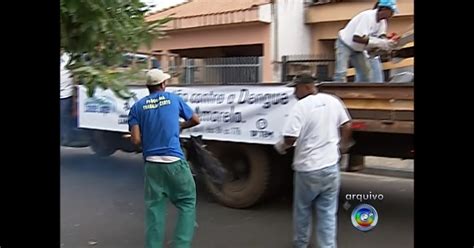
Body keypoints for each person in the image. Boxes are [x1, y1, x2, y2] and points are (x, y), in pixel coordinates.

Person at [274, 73, 353, 248]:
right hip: (331, 166)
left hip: (308, 169)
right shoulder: (333, 101)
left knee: (303, 209)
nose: (294, 92)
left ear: (308, 87)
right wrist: (342, 146)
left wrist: (280, 147)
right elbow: (347, 125)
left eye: (297, 88)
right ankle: (328, 245)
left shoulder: (301, 107)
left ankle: (301, 243)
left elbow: (289, 137)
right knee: (327, 211)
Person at [128, 69, 200, 248]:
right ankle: (181, 245)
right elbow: (195, 120)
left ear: (148, 87)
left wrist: (148, 136)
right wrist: (180, 126)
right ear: (163, 84)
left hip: (152, 165)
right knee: (186, 201)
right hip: (174, 162)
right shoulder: (173, 99)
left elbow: (136, 140)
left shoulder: (137, 107)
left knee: (154, 210)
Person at [333, 0, 399, 82]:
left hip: (358, 49)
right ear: (384, 9)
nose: (392, 15)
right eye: (391, 12)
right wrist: (381, 43)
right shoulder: (367, 16)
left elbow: (381, 37)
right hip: (344, 44)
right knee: (341, 72)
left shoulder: (382, 22)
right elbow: (357, 38)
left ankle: (361, 93)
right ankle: (338, 91)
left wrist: (387, 43)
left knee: (366, 74)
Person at [60, 49, 75, 145]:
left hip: (65, 93)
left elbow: (75, 73)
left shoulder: (69, 57)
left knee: (63, 116)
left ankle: (66, 137)